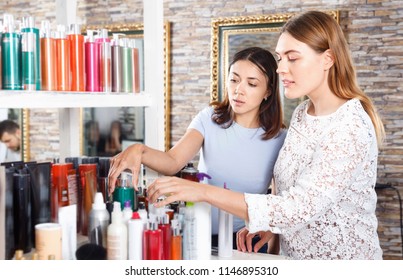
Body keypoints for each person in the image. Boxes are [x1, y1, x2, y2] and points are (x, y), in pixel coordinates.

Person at [144, 11, 386, 260]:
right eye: (280, 58)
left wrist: (203, 192)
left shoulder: (349, 126)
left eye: (292, 58)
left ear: (328, 59)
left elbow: (297, 209)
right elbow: (288, 192)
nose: (281, 69)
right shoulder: (304, 113)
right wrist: (271, 226)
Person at [108, 46, 287, 252]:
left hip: (246, 242)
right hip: (198, 233)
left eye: (252, 83)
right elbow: (172, 162)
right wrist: (139, 150)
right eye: (234, 79)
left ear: (268, 91)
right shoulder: (209, 119)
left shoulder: (280, 139)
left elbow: (278, 206)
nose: (239, 90)